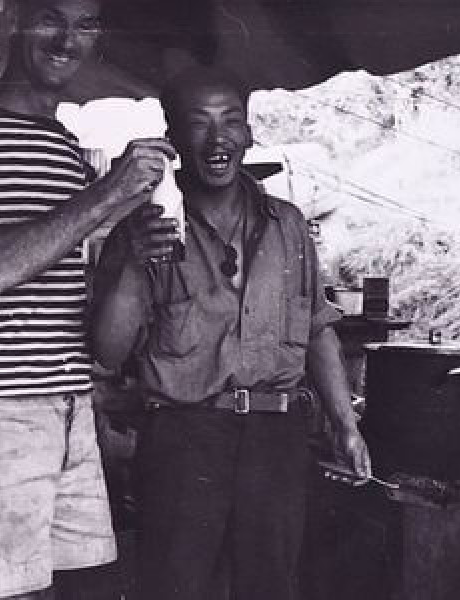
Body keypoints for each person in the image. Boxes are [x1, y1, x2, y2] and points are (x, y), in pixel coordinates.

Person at [0, 0, 174, 598]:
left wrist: (127, 247)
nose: (67, 40)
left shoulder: (66, 148)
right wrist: (111, 191)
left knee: (76, 589)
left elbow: (82, 320)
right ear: (16, 21)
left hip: (70, 404)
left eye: (86, 24)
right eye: (51, 18)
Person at [90, 66, 372, 600]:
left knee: (271, 588)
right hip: (183, 439)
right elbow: (107, 351)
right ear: (174, 138)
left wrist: (345, 424)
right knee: (177, 590)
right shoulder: (143, 228)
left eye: (231, 121)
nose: (217, 138)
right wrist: (130, 260)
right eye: (199, 123)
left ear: (248, 132)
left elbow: (317, 329)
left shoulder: (289, 224)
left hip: (276, 437)